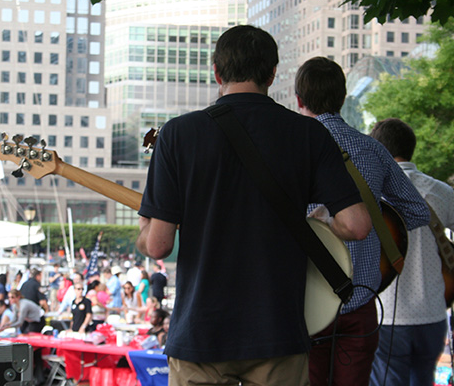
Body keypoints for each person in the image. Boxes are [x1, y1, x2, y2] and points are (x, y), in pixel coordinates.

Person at [136, 25, 372, 386]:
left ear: (216, 71)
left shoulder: (178, 134)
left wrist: (144, 230)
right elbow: (356, 225)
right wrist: (319, 226)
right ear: (273, 73)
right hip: (279, 331)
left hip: (201, 334)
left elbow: (158, 245)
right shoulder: (308, 134)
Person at [294, 57, 431, 386]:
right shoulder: (372, 148)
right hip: (360, 304)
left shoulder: (291, 148)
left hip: (307, 303)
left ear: (299, 99)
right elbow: (416, 210)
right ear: (343, 98)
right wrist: (371, 214)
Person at [368, 118, 454, 386]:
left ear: (377, 149)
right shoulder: (441, 192)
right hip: (433, 314)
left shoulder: (372, 195)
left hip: (388, 317)